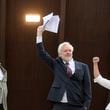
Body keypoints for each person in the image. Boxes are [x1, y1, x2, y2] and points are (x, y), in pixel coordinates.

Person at [36, 25, 92, 110]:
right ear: (60, 54)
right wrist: (39, 34)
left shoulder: (83, 67)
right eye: (65, 51)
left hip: (77, 105)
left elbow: (87, 89)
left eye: (70, 50)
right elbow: (42, 53)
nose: (68, 52)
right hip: (59, 105)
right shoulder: (56, 64)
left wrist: (85, 107)